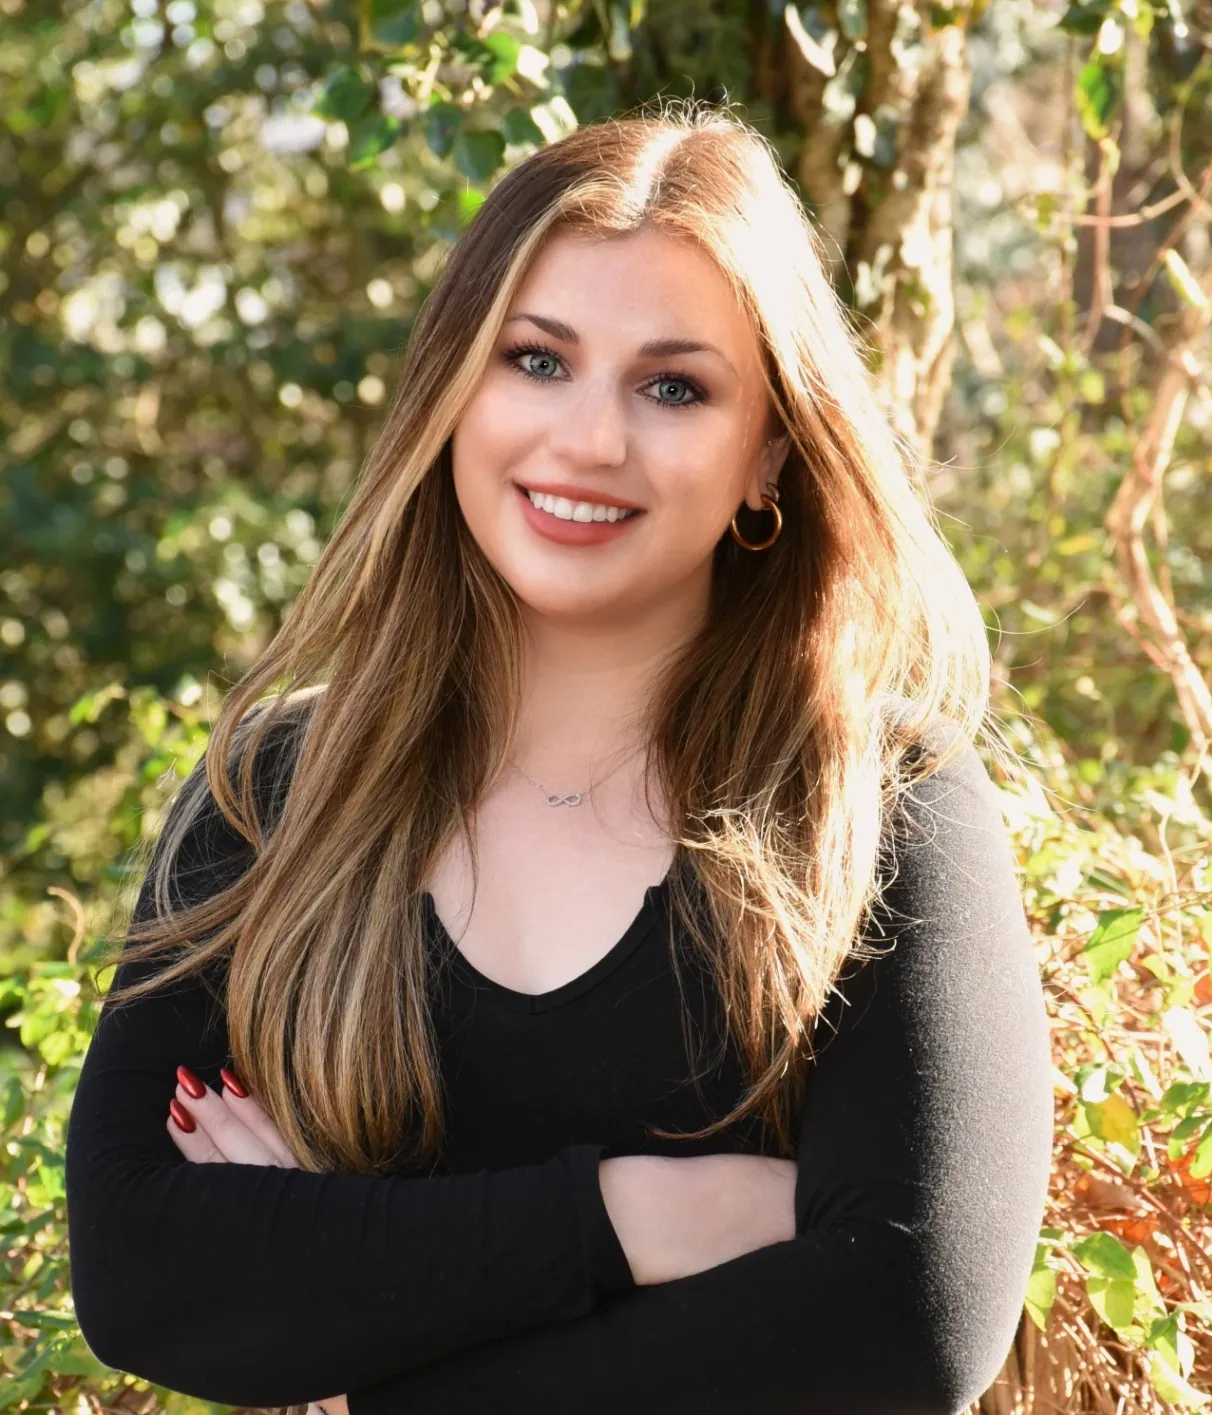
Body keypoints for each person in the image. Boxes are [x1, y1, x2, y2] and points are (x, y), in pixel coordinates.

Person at [65, 102, 1054, 1415]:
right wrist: (630, 1215)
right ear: (451, 388)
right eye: (537, 361)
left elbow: (908, 1320)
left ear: (770, 453)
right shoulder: (279, 792)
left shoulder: (880, 807)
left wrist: (364, 1341)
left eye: (674, 386)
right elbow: (144, 1271)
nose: (588, 440)